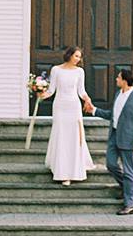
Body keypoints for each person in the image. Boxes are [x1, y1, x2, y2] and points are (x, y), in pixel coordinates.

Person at [85, 69, 133, 215]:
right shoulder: (118, 94)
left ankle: (129, 205)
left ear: (124, 80)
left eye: (118, 77)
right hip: (114, 136)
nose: (116, 79)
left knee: (129, 170)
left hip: (128, 139)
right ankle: (126, 187)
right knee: (110, 164)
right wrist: (94, 110)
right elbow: (112, 115)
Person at [40, 45, 95, 185]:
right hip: (60, 106)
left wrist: (87, 100)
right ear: (70, 55)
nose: (78, 59)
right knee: (61, 135)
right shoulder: (56, 70)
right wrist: (42, 94)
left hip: (73, 106)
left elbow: (81, 91)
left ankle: (74, 170)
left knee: (74, 136)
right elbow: (52, 90)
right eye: (76, 56)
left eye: (79, 57)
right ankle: (62, 172)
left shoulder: (79, 72)